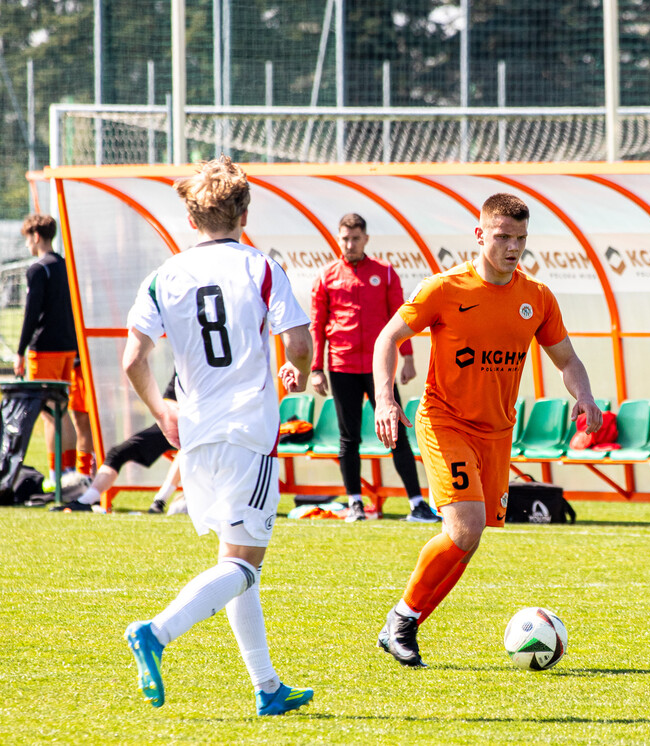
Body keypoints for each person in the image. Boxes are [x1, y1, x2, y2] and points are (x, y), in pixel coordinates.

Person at [371, 193, 602, 667]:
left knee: (469, 540)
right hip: (444, 420)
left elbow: (567, 359)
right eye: (502, 237)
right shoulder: (444, 289)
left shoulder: (536, 298)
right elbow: (387, 339)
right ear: (480, 235)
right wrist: (387, 399)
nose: (513, 248)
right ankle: (401, 619)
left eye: (520, 238)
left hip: (497, 433)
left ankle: (402, 625)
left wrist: (584, 395)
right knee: (465, 526)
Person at [121, 156, 315, 715]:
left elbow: (134, 359)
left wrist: (162, 410)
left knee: (236, 558)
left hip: (197, 434)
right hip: (247, 430)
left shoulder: (164, 275)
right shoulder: (260, 267)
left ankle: (267, 686)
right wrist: (296, 371)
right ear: (245, 211)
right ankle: (157, 632)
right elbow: (298, 342)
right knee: (245, 563)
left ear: (190, 219)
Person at [309, 213, 439, 524]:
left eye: (355, 238)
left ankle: (417, 504)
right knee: (348, 438)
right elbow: (317, 325)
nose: (350, 244)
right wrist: (316, 367)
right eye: (344, 238)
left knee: (395, 432)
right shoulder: (327, 276)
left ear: (366, 239)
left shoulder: (385, 272)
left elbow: (401, 318)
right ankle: (355, 502)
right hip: (341, 365)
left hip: (380, 369)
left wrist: (407, 358)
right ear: (338, 238)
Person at [15, 214, 95, 488]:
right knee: (63, 410)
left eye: (27, 239)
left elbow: (31, 314)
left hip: (45, 349)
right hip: (68, 349)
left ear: (36, 236)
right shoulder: (65, 266)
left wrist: (20, 350)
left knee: (49, 413)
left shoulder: (38, 269)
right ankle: (70, 470)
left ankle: (55, 475)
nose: (27, 245)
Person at [50, 375, 181, 513]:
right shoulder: (182, 366)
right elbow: (168, 401)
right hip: (173, 423)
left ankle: (160, 501)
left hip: (199, 430)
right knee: (117, 453)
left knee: (187, 448)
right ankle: (85, 501)